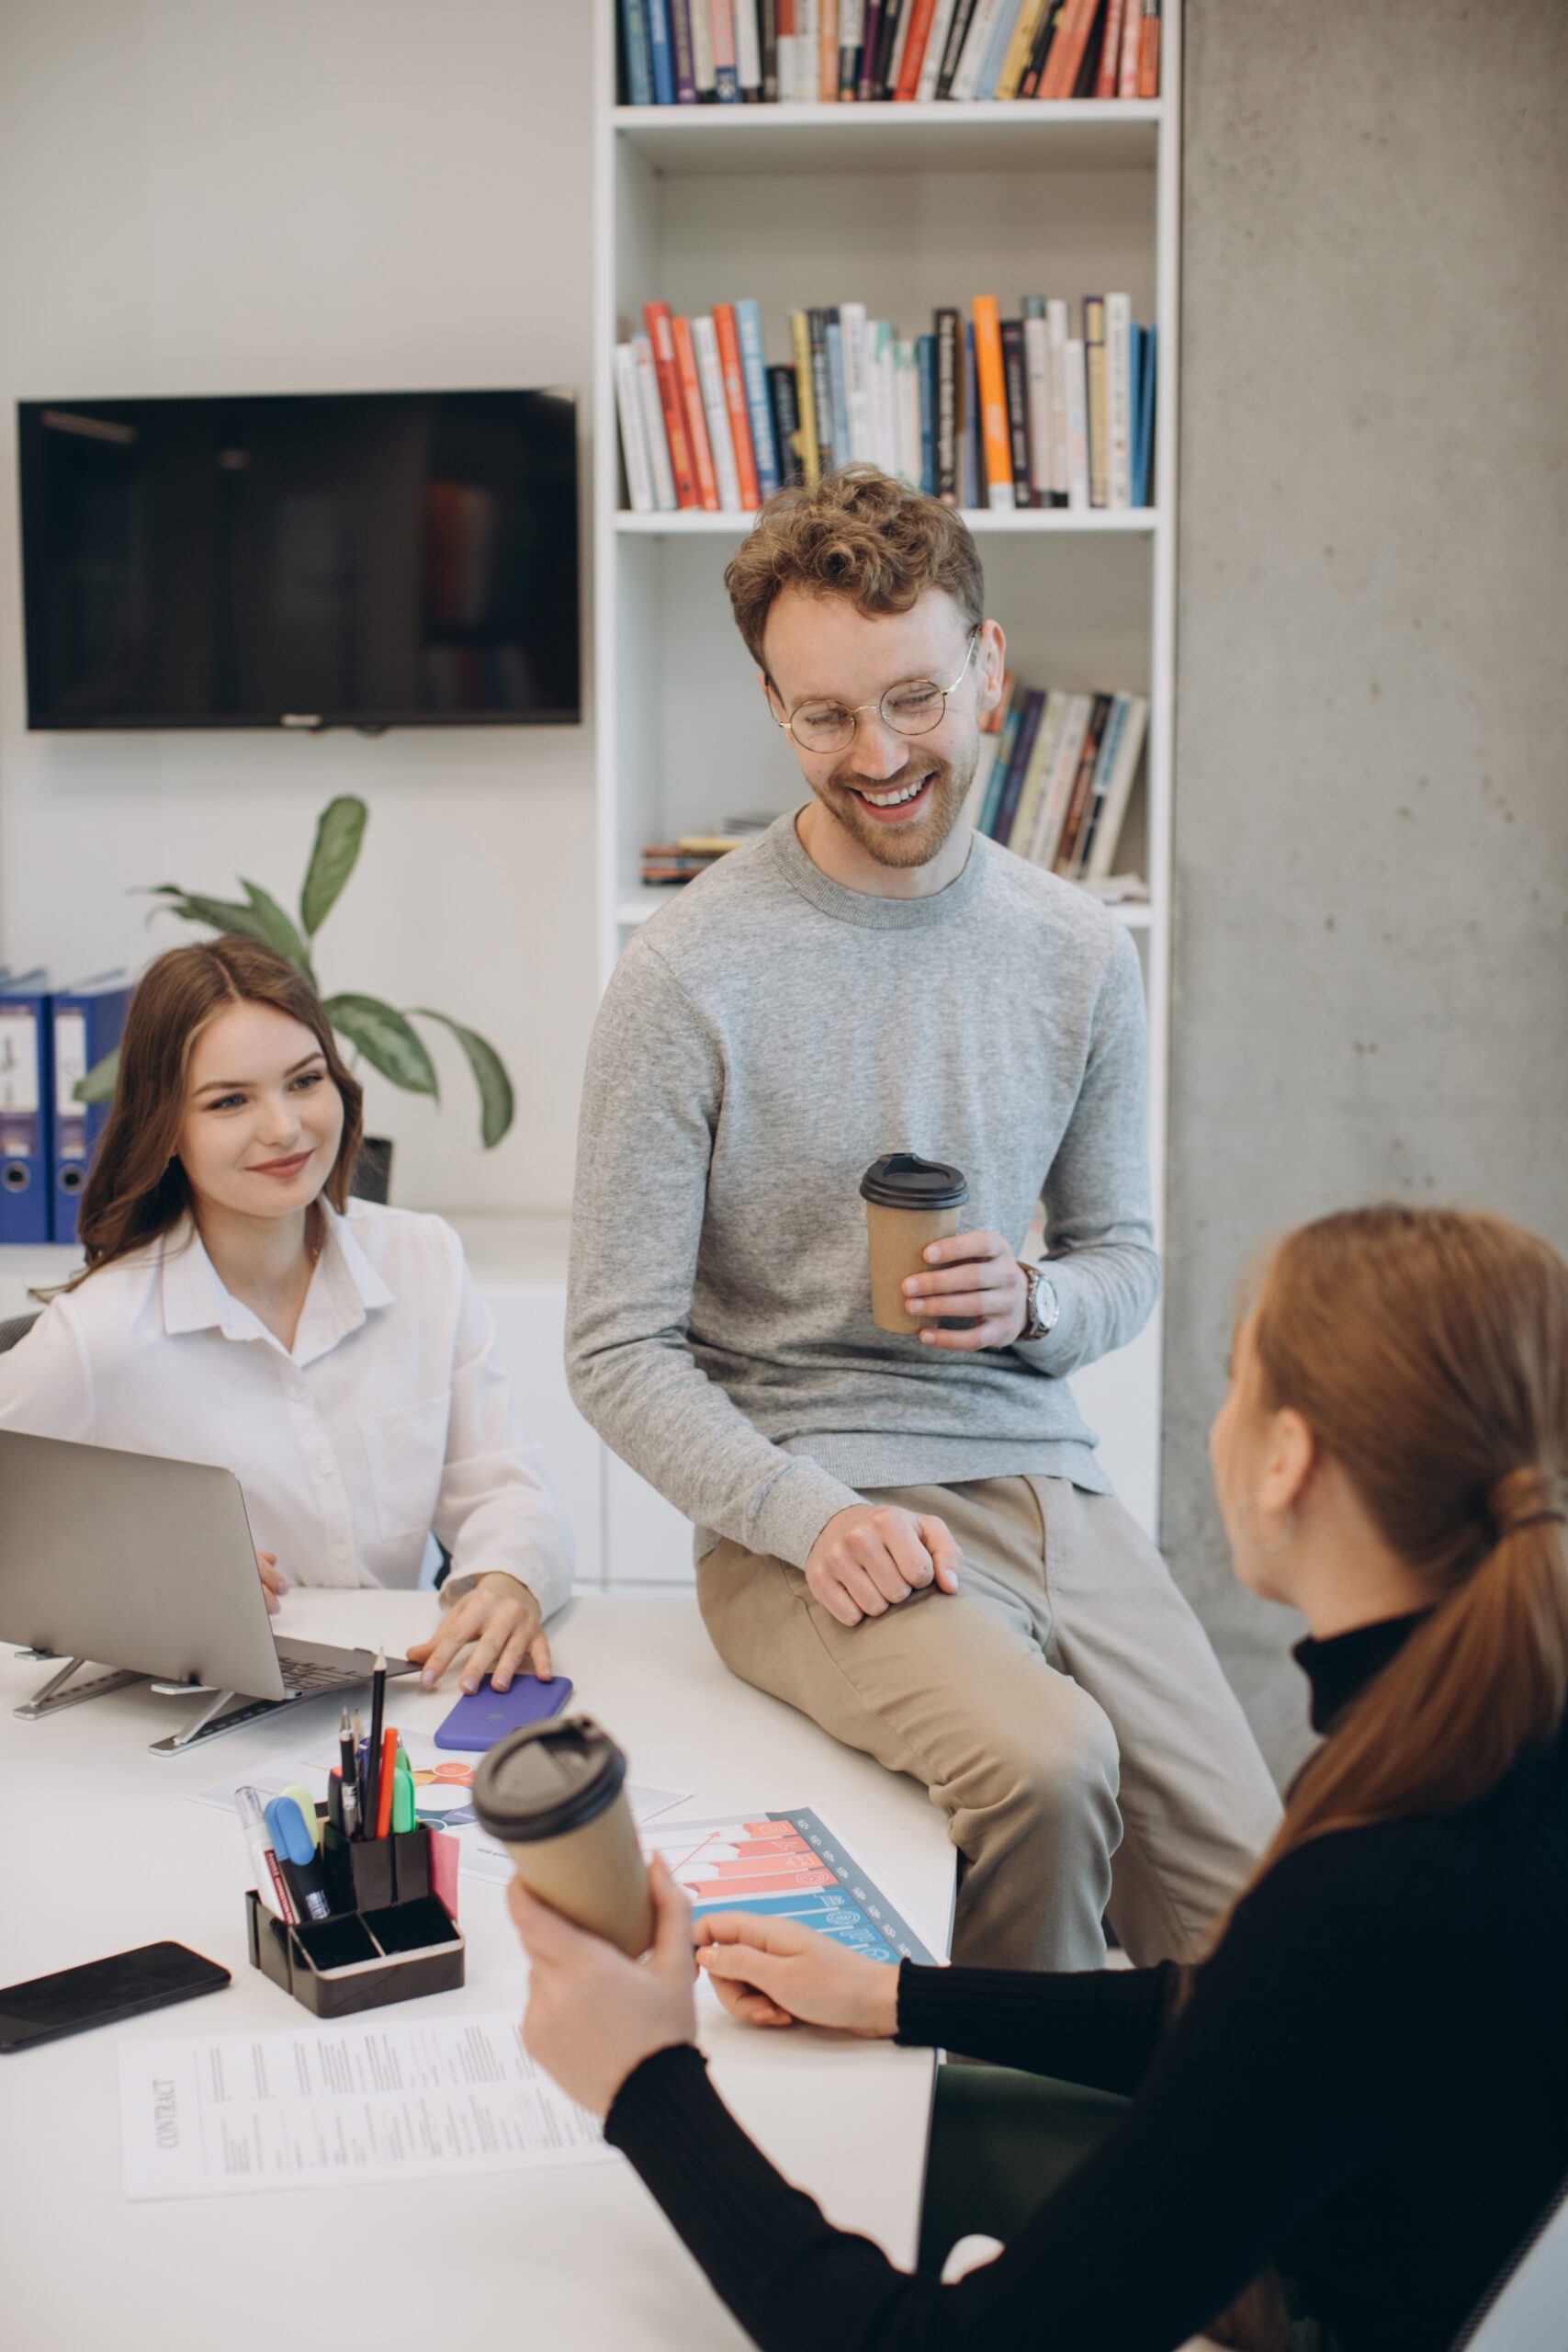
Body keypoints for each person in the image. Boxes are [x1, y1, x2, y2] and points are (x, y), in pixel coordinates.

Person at [515, 1203, 1568, 2352]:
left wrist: (645, 2080)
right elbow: (1236, 2021)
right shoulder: (1494, 1748)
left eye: (1233, 1383)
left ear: (1286, 1460)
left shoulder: (1375, 1877)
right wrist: (900, 1995)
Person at [567, 466, 1278, 1971]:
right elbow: (615, 1350)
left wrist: (1034, 1309)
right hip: (803, 1505)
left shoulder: (1077, 952)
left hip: (1038, 1478)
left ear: (987, 671)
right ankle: (1008, 2163)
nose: (877, 755)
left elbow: (1122, 1260)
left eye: (911, 700)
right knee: (1048, 1770)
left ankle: (1182, 2187)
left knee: (1253, 1913)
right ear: (773, 704)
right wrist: (801, 1519)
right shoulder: (686, 974)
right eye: (824, 715)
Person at [0, 937, 571, 1690]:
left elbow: (502, 1486)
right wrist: (142, 1568)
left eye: (304, 1081)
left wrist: (506, 1582)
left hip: (399, 1697)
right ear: (166, 1126)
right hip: (193, 1719)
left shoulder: (421, 1258)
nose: (285, 1128)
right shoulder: (101, 1334)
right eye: (230, 1100)